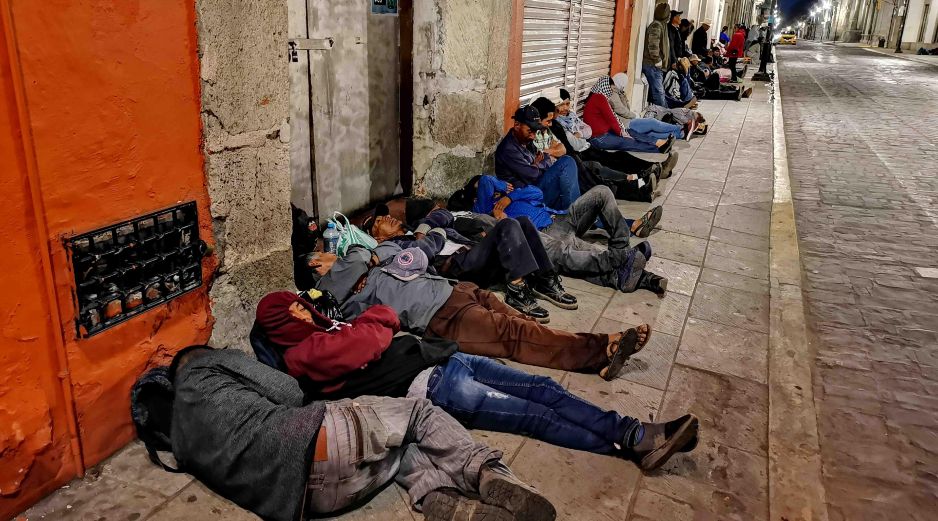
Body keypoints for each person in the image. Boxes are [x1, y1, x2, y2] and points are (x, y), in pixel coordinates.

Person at [253, 291, 700, 470]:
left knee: (545, 389)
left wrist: (373, 325)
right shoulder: (301, 355)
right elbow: (371, 337)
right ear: (279, 325)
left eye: (300, 305)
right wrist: (372, 326)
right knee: (534, 416)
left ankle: (633, 432)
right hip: (433, 386)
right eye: (291, 311)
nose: (302, 311)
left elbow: (386, 319)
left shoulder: (328, 330)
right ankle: (627, 444)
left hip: (447, 360)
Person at [168, 345, 557, 521]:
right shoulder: (209, 365)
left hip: (313, 501)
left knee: (398, 447)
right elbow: (288, 391)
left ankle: (442, 499)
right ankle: (489, 474)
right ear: (202, 355)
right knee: (419, 413)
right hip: (317, 438)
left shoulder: (179, 440)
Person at [315, 243, 654, 380]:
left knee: (522, 322)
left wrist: (374, 257)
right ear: (316, 265)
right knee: (517, 336)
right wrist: (365, 256)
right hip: (443, 316)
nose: (334, 253)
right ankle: (601, 349)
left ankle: (589, 354)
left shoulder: (368, 267)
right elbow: (357, 255)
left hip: (455, 289)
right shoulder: (331, 289)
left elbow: (397, 248)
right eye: (326, 255)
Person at [364, 204, 577, 319]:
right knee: (507, 225)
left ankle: (544, 279)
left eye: (384, 215)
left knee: (523, 222)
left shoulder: (418, 227)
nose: (387, 218)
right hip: (457, 268)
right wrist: (435, 234)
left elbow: (445, 214)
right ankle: (517, 292)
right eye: (378, 222)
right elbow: (421, 254)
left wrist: (425, 227)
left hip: (474, 254)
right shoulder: (396, 245)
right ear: (378, 238)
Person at [468, 176, 668, 296]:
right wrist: (497, 190)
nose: (495, 191)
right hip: (544, 236)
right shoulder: (483, 210)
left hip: (562, 220)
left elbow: (537, 193)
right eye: (492, 190)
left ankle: (622, 250)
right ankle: (644, 277)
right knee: (589, 255)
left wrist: (510, 196)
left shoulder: (511, 198)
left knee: (602, 192)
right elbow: (484, 180)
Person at [494, 105, 580, 210]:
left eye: (535, 131)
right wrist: (537, 164)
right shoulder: (508, 149)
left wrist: (536, 164)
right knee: (566, 162)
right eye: (530, 131)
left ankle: (573, 211)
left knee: (568, 172)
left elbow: (546, 159)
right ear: (517, 125)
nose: (533, 136)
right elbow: (533, 174)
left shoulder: (526, 140)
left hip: (536, 188)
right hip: (526, 196)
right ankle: (574, 213)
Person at [583, 78, 676, 154]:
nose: (610, 92)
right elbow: (611, 118)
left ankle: (659, 142)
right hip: (599, 138)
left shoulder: (598, 97)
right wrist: (621, 133)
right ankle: (658, 149)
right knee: (627, 142)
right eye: (610, 89)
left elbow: (613, 117)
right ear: (604, 87)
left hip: (607, 133)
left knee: (631, 132)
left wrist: (623, 131)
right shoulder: (599, 98)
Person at [593, 75, 695, 142]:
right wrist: (634, 115)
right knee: (652, 123)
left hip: (624, 123)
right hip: (625, 124)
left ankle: (681, 134)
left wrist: (622, 94)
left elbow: (626, 107)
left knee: (651, 134)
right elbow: (622, 110)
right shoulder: (611, 94)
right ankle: (680, 128)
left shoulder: (616, 93)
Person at [642, 2, 672, 107]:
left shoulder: (661, 26)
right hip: (652, 65)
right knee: (658, 93)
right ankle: (662, 114)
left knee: (658, 93)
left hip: (654, 66)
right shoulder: (657, 25)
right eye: (668, 13)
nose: (669, 16)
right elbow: (653, 45)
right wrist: (657, 60)